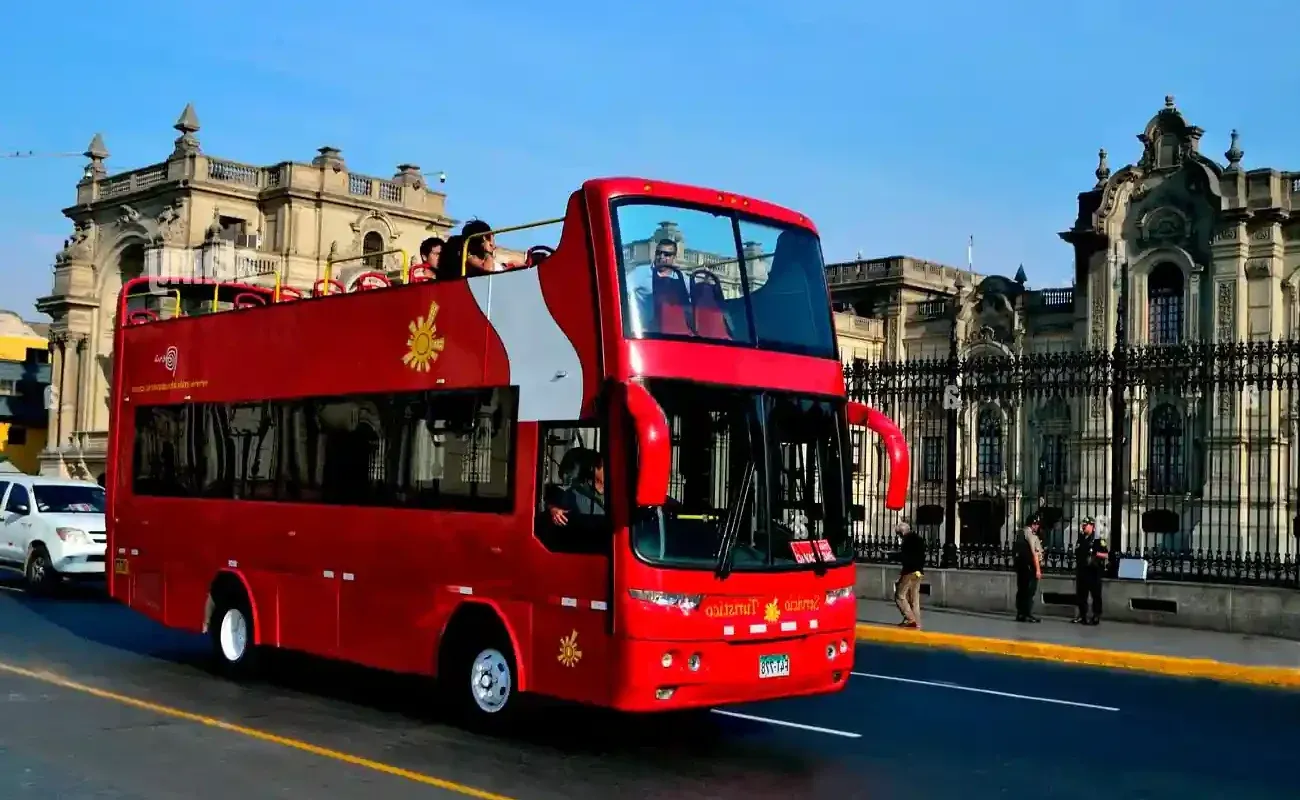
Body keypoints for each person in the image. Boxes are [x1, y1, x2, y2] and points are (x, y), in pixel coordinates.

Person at [626, 237, 688, 333]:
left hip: (671, 334)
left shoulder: (681, 278)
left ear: (674, 258)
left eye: (667, 254)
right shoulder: (640, 273)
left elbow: (696, 297)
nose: (662, 257)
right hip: (645, 334)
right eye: (659, 253)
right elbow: (619, 291)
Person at [1073, 515, 1109, 625]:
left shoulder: (1099, 539)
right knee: (1081, 595)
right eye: (1083, 525)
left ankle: (1096, 615)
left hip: (1094, 571)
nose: (1083, 527)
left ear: (1092, 526)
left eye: (1085, 525)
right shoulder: (1081, 538)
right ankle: (1082, 615)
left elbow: (1106, 554)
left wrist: (1095, 554)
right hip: (1082, 571)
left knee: (1096, 595)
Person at [894, 521, 925, 629]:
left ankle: (910, 618)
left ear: (902, 532)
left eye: (898, 534)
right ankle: (917, 623)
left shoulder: (907, 541)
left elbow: (905, 556)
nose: (899, 536)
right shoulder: (919, 539)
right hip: (919, 572)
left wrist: (892, 556)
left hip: (909, 571)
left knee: (899, 595)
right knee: (914, 599)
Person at [1013, 514, 1044, 623]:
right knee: (1029, 592)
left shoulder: (1020, 533)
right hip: (1030, 567)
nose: (1037, 527)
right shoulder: (1031, 535)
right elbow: (1034, 553)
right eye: (1036, 524)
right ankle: (1027, 614)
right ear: (1033, 524)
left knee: (1021, 591)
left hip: (1021, 567)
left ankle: (1020, 613)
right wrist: (1038, 570)